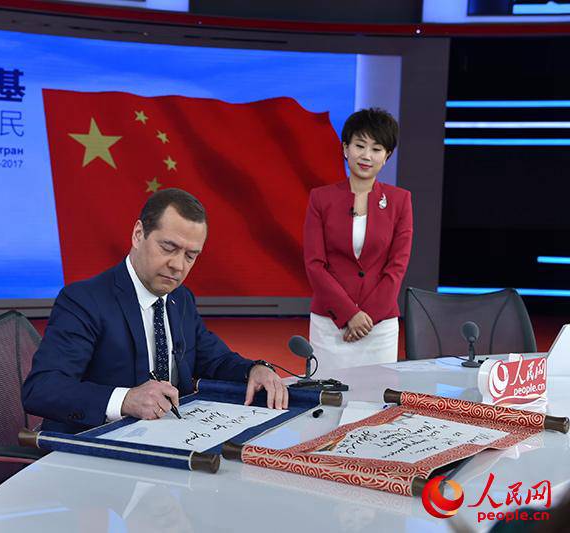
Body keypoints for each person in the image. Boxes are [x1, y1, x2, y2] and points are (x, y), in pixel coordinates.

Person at [23, 188, 288, 434]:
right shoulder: (84, 300)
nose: (178, 266)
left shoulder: (180, 298)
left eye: (190, 256)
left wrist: (255, 369)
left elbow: (214, 359)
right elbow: (42, 388)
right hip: (96, 445)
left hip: (171, 437)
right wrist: (125, 399)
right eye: (168, 248)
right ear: (139, 235)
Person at [303, 108, 413, 374]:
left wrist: (367, 317)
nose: (366, 155)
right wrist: (349, 314)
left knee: (376, 394)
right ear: (345, 148)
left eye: (376, 149)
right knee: (326, 392)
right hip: (330, 323)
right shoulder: (321, 199)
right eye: (359, 145)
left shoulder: (400, 201)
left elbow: (397, 266)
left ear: (386, 156)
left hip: (379, 326)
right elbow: (314, 264)